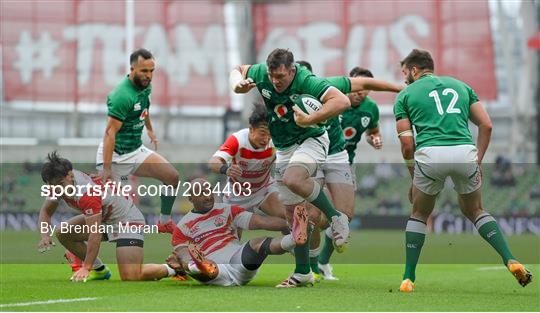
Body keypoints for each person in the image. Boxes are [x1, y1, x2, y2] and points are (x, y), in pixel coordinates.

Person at [394, 49, 532, 292]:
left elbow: (407, 146)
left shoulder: (405, 95)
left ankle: (408, 278)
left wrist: (412, 176)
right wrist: (477, 159)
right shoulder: (461, 86)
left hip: (430, 155)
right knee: (475, 210)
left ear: (414, 70)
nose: (405, 78)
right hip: (464, 152)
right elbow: (486, 125)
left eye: (405, 72)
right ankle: (510, 258)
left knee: (419, 214)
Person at [37, 152, 181, 282]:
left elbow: (95, 233)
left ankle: (175, 268)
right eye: (54, 186)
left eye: (61, 184)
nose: (58, 190)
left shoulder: (87, 192)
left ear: (70, 175)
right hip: (105, 218)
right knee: (63, 232)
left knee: (131, 276)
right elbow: (46, 212)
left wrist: (85, 267)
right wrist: (45, 235)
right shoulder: (57, 186)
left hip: (127, 220)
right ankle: (99, 271)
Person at [96, 48, 179, 233]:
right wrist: (107, 169)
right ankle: (74, 239)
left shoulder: (145, 85)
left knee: (172, 177)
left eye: (152, 71)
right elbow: (110, 134)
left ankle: (164, 222)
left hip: (135, 151)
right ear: (132, 68)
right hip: (115, 157)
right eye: (144, 71)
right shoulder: (121, 96)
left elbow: (144, 108)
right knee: (115, 220)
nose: (149, 75)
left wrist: (149, 129)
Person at [166, 178, 306, 287]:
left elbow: (261, 222)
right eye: (201, 193)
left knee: (257, 243)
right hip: (215, 271)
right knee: (202, 267)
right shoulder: (182, 227)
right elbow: (183, 254)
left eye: (209, 191)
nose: (208, 196)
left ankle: (295, 236)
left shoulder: (228, 210)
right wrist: (189, 262)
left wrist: (291, 223)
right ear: (190, 198)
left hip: (238, 261)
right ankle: (198, 266)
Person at [317, 66, 383, 280]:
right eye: (357, 87)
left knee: (345, 217)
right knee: (318, 217)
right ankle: (307, 263)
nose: (360, 92)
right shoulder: (333, 99)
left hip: (346, 163)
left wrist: (374, 139)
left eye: (365, 89)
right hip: (320, 160)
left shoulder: (371, 108)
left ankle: (322, 263)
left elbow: (373, 130)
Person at [208, 104, 284, 218]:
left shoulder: (276, 142)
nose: (266, 139)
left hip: (264, 190)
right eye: (262, 133)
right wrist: (226, 169)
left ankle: (290, 234)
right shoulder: (237, 140)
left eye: (269, 134)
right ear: (251, 129)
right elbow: (213, 162)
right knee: (232, 236)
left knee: (288, 218)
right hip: (236, 196)